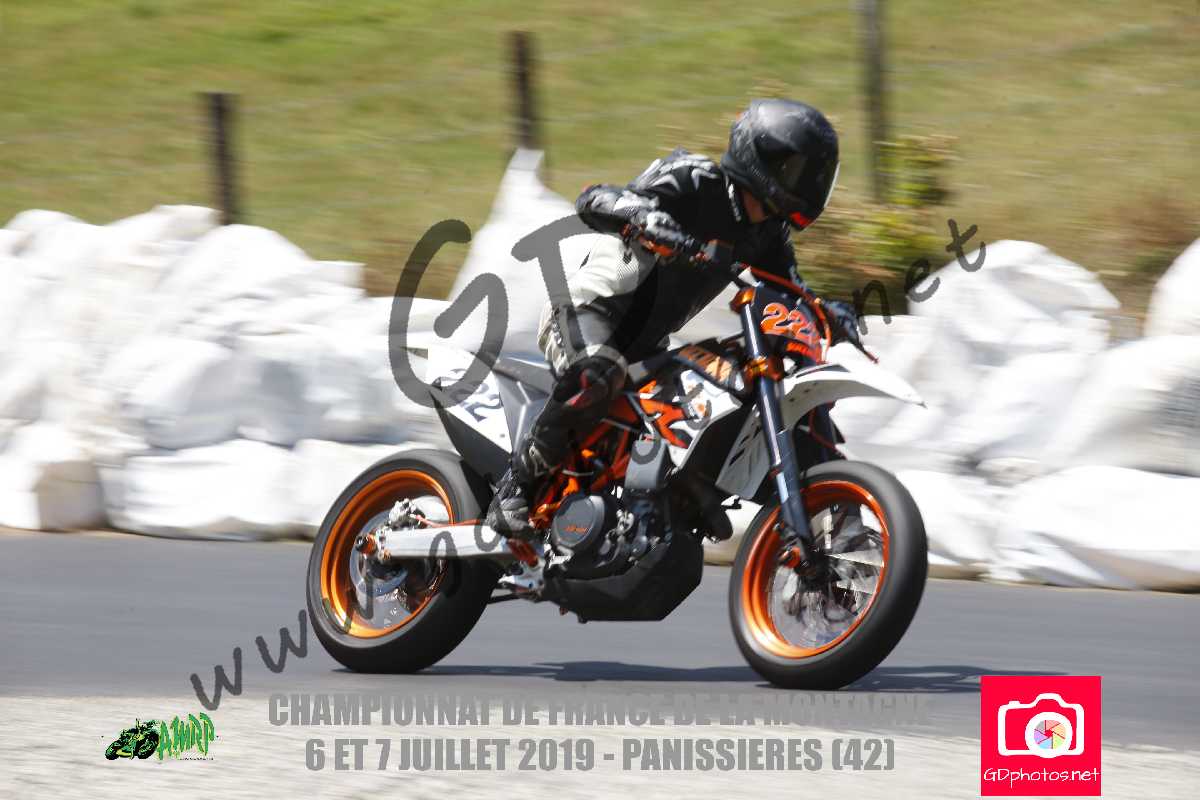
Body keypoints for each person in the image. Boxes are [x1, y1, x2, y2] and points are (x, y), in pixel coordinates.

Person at [486, 98, 860, 537]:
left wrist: (825, 309)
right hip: (587, 311)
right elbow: (595, 197)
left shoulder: (767, 234)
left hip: (648, 346)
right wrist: (645, 217)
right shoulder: (693, 177)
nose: (806, 184)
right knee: (597, 372)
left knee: (718, 395)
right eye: (795, 170)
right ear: (762, 157)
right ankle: (516, 485)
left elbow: (789, 289)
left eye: (813, 175)